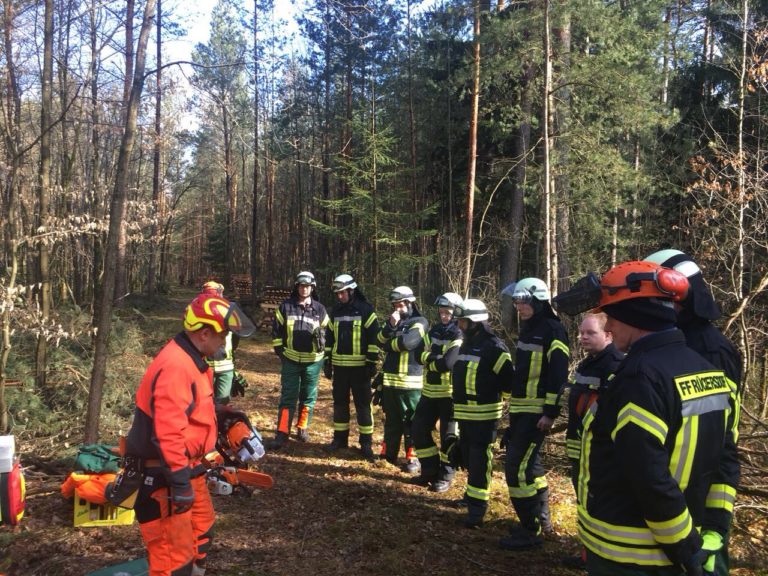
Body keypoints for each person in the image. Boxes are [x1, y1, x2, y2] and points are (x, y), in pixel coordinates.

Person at [557, 260, 738, 576]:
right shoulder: (709, 372)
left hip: (630, 555)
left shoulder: (639, 378)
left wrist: (684, 546)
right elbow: (725, 462)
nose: (609, 327)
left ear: (633, 315)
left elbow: (648, 476)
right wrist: (712, 531)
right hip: (681, 547)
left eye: (612, 316)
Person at [123, 293, 255, 576]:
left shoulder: (195, 360)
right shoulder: (176, 366)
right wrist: (180, 483)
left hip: (187, 468)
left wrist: (219, 414)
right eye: (222, 336)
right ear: (205, 333)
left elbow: (190, 409)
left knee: (202, 532)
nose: (225, 342)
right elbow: (168, 433)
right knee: (173, 560)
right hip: (164, 475)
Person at [645, 249, 741, 576]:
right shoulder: (670, 341)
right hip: (666, 502)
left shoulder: (713, 351)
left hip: (699, 507)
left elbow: (725, 442)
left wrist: (715, 525)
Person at [500, 277, 570, 550]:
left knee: (516, 468)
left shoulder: (553, 330)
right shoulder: (529, 329)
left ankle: (530, 529)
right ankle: (542, 520)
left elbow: (557, 374)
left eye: (523, 301)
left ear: (538, 301)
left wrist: (551, 412)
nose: (518, 306)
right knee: (533, 467)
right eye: (516, 301)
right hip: (521, 410)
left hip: (537, 413)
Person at [563, 312, 624, 569]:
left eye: (590, 333)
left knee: (596, 503)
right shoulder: (588, 363)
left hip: (597, 450)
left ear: (608, 335)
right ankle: (588, 553)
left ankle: (598, 557)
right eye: (582, 332)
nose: (583, 337)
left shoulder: (615, 365)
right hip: (579, 445)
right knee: (583, 501)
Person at [451, 298, 513, 528]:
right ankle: (471, 496)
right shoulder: (467, 343)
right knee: (467, 456)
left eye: (463, 321)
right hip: (465, 413)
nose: (459, 325)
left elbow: (508, 382)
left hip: (484, 415)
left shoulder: (494, 347)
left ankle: (478, 509)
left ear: (475, 322)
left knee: (479, 459)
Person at [411, 292, 464, 492]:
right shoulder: (433, 331)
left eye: (447, 312)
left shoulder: (459, 334)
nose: (443, 316)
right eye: (441, 312)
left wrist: (430, 359)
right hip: (429, 392)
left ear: (457, 312)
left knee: (448, 437)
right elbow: (418, 355)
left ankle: (446, 475)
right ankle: (429, 470)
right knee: (418, 429)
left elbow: (448, 363)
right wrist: (435, 359)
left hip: (450, 395)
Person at [324, 274, 381, 459]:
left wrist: (371, 362)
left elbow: (374, 336)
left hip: (360, 370)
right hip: (340, 368)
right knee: (340, 404)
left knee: (363, 406)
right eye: (337, 293)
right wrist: (327, 360)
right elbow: (330, 336)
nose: (339, 296)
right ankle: (340, 439)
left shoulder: (365, 310)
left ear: (351, 290)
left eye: (342, 293)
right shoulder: (336, 311)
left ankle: (366, 443)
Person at [270, 271, 329, 449]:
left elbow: (328, 333)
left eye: (308, 286)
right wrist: (280, 351)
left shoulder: (320, 309)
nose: (304, 289)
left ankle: (302, 427)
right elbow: (276, 331)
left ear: (312, 288)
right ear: (297, 287)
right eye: (302, 286)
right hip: (291, 360)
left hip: (313, 362)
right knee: (288, 397)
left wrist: (325, 351)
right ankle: (282, 432)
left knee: (308, 397)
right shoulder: (286, 307)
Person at [377, 285, 430, 472]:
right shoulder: (394, 321)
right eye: (394, 305)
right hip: (390, 381)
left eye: (399, 304)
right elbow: (379, 340)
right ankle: (388, 455)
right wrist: (390, 326)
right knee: (392, 421)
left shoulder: (421, 322)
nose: (396, 308)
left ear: (409, 302)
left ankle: (413, 459)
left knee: (412, 422)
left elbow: (407, 343)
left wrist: (390, 345)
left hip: (410, 383)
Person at [201, 281, 238, 405]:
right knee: (204, 402)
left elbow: (236, 337)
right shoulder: (198, 314)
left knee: (222, 404)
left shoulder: (228, 312)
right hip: (205, 368)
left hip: (226, 367)